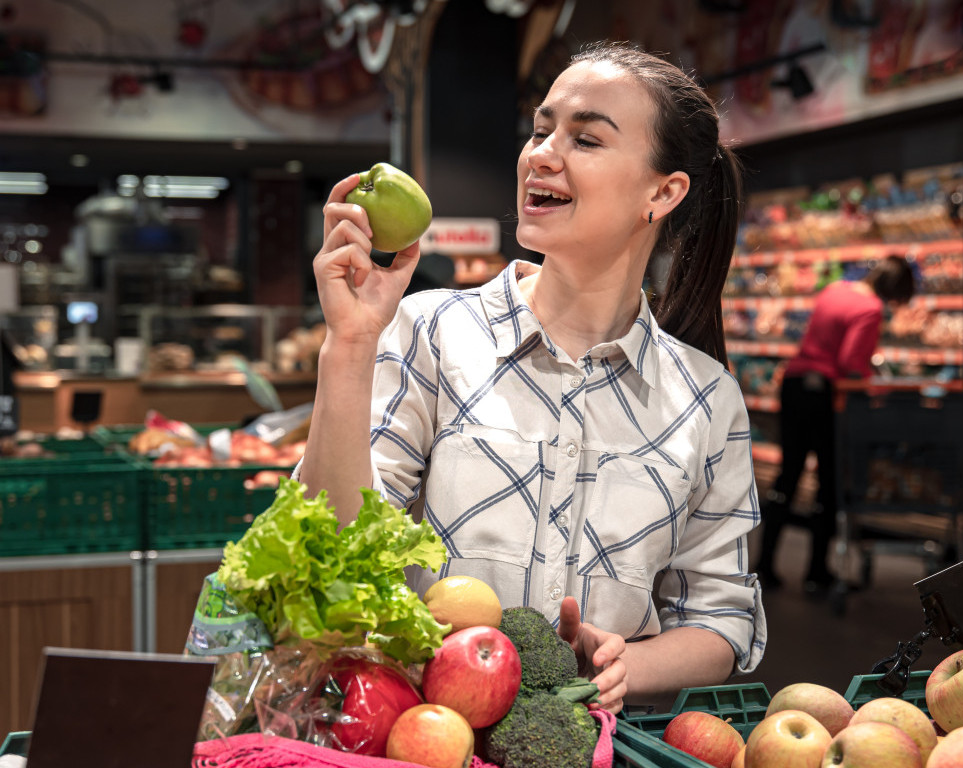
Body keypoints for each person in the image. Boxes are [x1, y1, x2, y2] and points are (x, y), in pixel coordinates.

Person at [297, 41, 766, 714]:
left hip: (600, 745)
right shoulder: (431, 332)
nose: (542, 153)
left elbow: (722, 618)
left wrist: (625, 664)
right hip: (421, 736)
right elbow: (330, 555)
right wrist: (348, 344)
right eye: (542, 129)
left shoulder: (707, 399)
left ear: (662, 193)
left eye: (586, 139)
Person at [754, 255, 916, 594]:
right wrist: (872, 386)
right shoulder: (870, 308)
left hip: (795, 383)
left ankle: (764, 564)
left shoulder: (834, 290)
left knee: (789, 474)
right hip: (824, 394)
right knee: (828, 481)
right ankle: (817, 573)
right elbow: (851, 362)